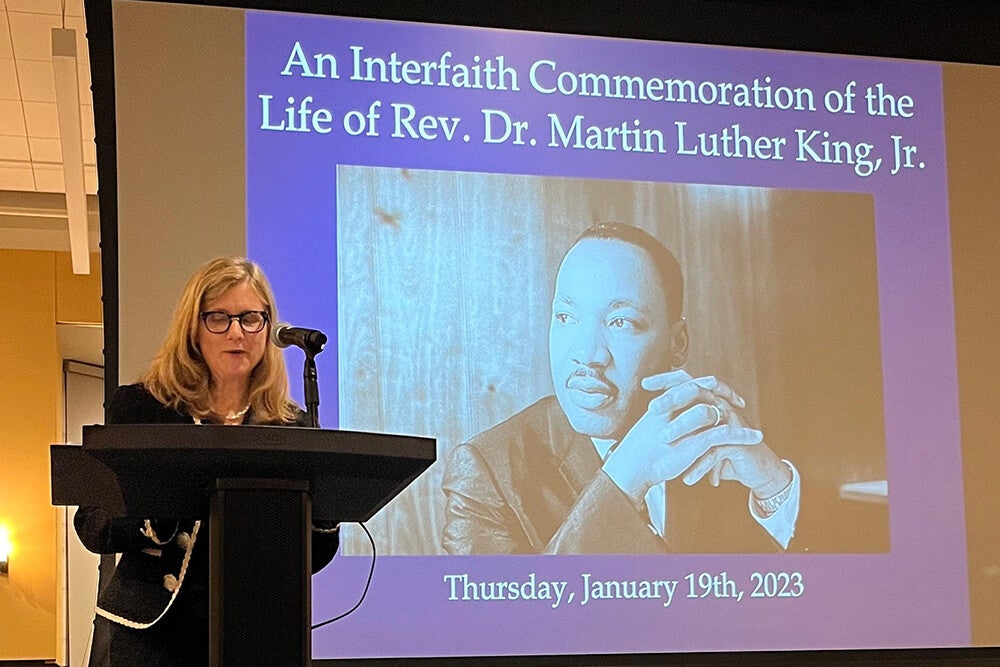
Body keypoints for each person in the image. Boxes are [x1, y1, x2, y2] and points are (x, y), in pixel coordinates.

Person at [441, 222, 799, 554]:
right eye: (566, 317)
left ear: (677, 343)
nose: (587, 354)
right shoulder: (486, 470)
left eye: (620, 322)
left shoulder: (717, 433)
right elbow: (496, 624)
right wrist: (625, 478)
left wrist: (774, 485)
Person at [74, 257, 339, 665]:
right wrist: (155, 517)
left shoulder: (292, 426)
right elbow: (93, 525)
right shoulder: (142, 407)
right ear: (193, 329)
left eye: (251, 318)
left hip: (255, 633)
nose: (237, 332)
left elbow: (310, 560)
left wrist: (326, 515)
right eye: (219, 318)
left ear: (268, 328)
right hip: (152, 638)